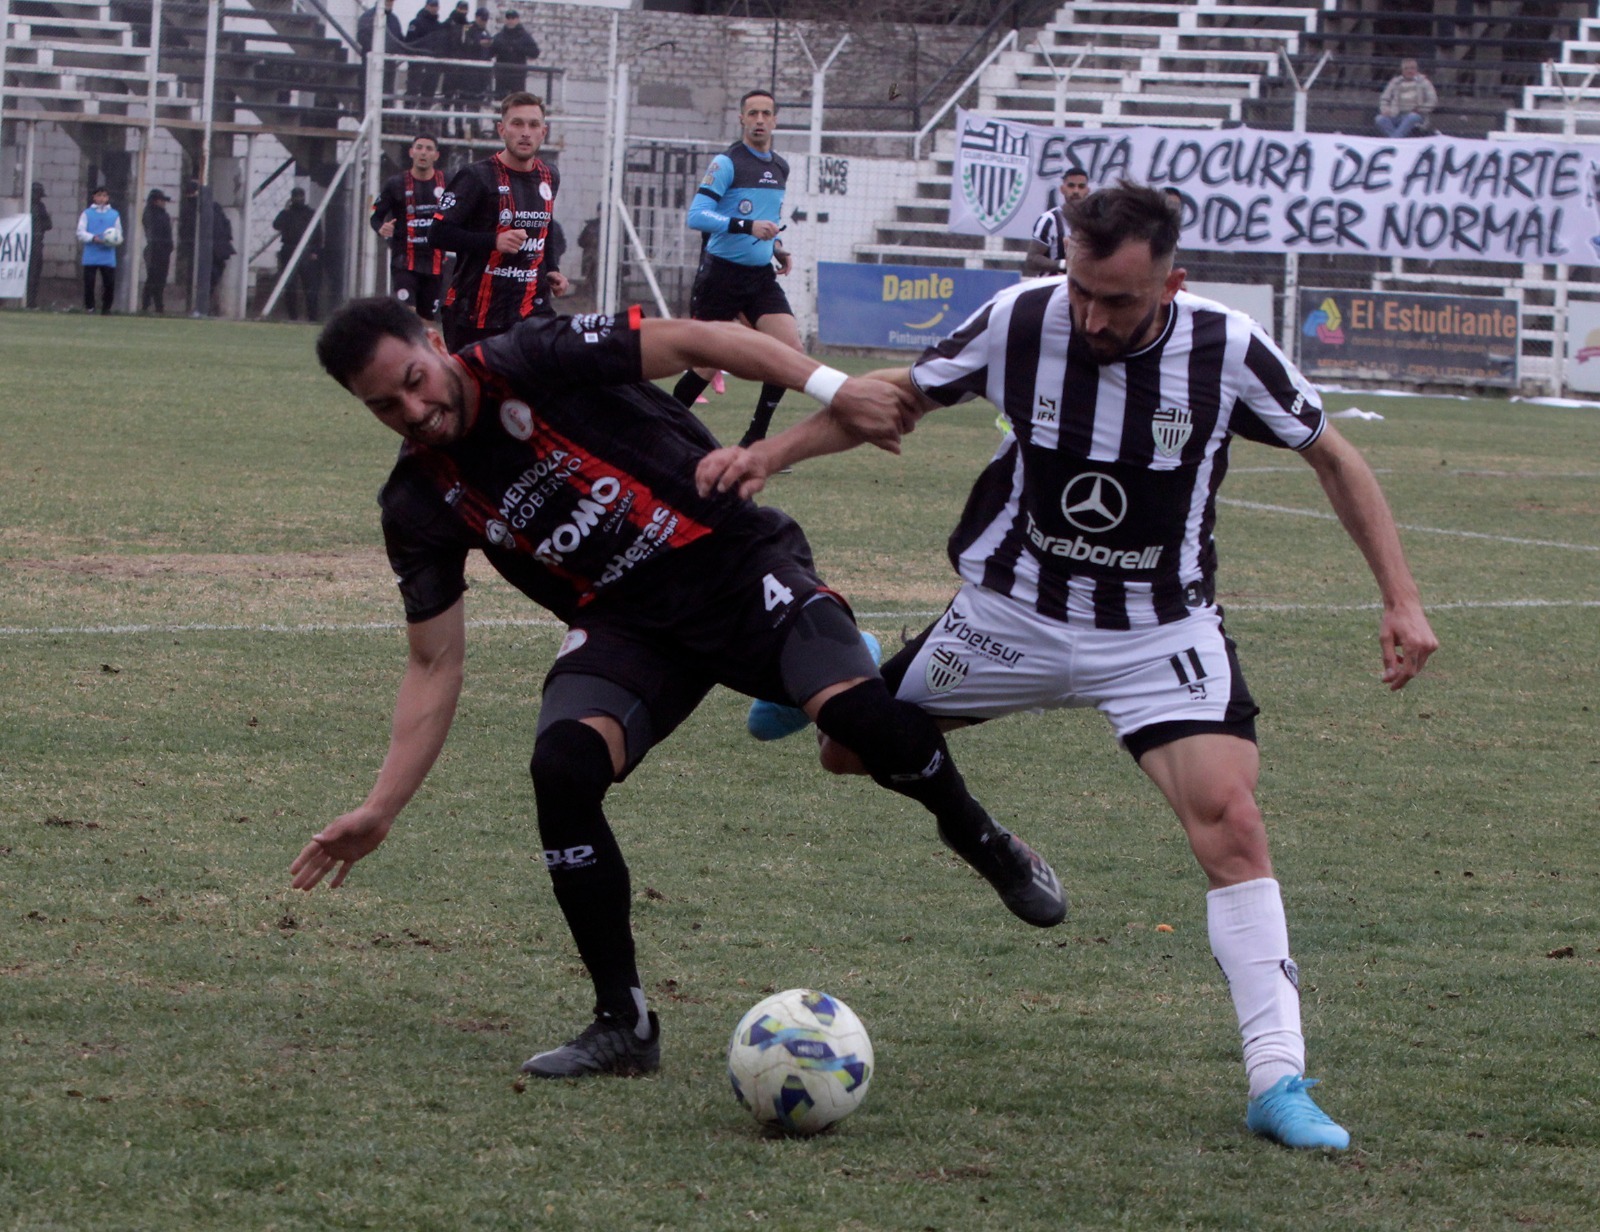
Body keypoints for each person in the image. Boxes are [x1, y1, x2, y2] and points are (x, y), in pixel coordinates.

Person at [705, 182, 1439, 1151]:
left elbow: (1335, 458)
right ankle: (862, 668)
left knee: (1231, 821)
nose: (1091, 316)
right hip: (1010, 614)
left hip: (1156, 634)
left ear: (1172, 282)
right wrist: (774, 454)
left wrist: (1400, 596)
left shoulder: (1226, 348)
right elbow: (894, 405)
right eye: (1081, 290)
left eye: (1119, 301)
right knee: (848, 751)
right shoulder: (1022, 316)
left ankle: (1276, 1076)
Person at [291, 296, 1066, 1079]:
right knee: (562, 770)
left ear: (433, 342)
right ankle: (622, 1024)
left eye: (417, 381)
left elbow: (707, 338)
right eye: (386, 407)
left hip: (732, 560)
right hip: (627, 625)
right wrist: (380, 807)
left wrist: (832, 385)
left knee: (860, 717)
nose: (416, 411)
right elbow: (432, 663)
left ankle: (984, 841)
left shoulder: (528, 358)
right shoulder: (419, 499)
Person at [671, 89, 800, 448]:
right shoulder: (726, 163)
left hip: (760, 278)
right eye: (753, 113)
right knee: (706, 364)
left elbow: (767, 219)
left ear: (775, 120)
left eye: (766, 114)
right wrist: (747, 228)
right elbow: (697, 216)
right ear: (741, 119)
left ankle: (754, 440)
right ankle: (661, 429)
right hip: (722, 276)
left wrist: (775, 248)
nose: (760, 120)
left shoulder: (780, 166)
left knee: (789, 352)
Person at [431, 92, 567, 350]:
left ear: (543, 132)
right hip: (476, 313)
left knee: (538, 385)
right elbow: (437, 233)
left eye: (533, 125)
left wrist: (552, 267)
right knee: (476, 390)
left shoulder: (549, 176)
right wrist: (493, 241)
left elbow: (544, 226)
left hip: (531, 309)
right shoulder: (476, 177)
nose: (525, 132)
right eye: (517, 124)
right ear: (501, 129)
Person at [370, 134, 448, 320]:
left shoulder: (447, 183)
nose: (423, 152)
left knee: (426, 323)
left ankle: (423, 348)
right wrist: (381, 228)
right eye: (419, 147)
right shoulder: (396, 184)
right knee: (407, 317)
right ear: (411, 152)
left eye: (429, 149)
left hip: (434, 264)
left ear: (436, 155)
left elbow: (462, 211)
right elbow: (376, 217)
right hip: (404, 262)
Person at [1022, 166, 1089, 277]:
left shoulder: (1095, 221)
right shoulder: (1049, 220)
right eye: (1071, 186)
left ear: (1087, 191)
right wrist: (1063, 264)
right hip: (1051, 288)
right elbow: (1032, 259)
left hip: (1081, 290)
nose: (1076, 191)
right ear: (1062, 189)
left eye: (1081, 187)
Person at [272, 187, 323, 321]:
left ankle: (312, 316)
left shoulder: (310, 213)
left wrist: (314, 251)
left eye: (300, 196)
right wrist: (285, 210)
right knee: (290, 286)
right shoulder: (288, 213)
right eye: (296, 197)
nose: (298, 199)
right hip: (289, 249)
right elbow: (276, 225)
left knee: (310, 287)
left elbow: (318, 233)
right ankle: (293, 316)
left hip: (307, 250)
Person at [76, 187, 121, 315]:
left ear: (107, 198)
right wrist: (93, 238)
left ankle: (106, 308)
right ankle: (90, 307)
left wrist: (111, 240)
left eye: (105, 196)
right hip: (91, 255)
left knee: (109, 284)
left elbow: (118, 233)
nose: (102, 198)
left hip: (108, 255)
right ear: (94, 197)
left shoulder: (114, 214)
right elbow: (80, 232)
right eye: (99, 195)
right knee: (89, 283)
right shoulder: (87, 213)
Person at [1376, 59, 1437, 138]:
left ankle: (1394, 141)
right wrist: (1385, 109)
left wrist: (1421, 109)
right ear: (1402, 70)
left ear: (1416, 69)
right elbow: (1384, 99)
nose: (1409, 71)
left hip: (1416, 115)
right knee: (1379, 119)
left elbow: (1433, 101)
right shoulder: (1395, 82)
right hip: (1396, 114)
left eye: (1412, 68)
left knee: (1412, 117)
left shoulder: (1424, 82)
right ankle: (1397, 140)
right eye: (1406, 68)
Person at [356, 0, 405, 99]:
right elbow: (361, 37)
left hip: (389, 66)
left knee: (386, 94)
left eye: (391, 1)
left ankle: (385, 113)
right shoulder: (368, 17)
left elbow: (400, 40)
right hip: (370, 65)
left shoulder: (394, 20)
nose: (389, 2)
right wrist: (379, 51)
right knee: (368, 93)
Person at [491, 9, 540, 99]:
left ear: (517, 20)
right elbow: (490, 52)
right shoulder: (500, 36)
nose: (510, 21)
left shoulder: (524, 36)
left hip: (518, 77)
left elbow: (535, 53)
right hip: (502, 76)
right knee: (500, 103)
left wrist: (519, 48)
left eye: (513, 18)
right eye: (508, 18)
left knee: (517, 103)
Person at [141, 188, 175, 314]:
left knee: (159, 280)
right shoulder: (151, 214)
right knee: (153, 279)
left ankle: (157, 305)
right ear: (156, 201)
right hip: (155, 251)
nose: (163, 203)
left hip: (162, 251)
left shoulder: (161, 214)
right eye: (161, 200)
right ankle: (148, 304)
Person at [406, 0, 444, 108]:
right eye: (432, 5)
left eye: (436, 6)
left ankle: (424, 121)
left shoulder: (438, 26)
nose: (434, 8)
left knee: (428, 95)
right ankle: (408, 120)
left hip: (432, 67)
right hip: (417, 65)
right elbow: (410, 43)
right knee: (412, 92)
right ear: (426, 6)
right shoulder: (415, 23)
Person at [208, 199, 235, 312]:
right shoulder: (222, 218)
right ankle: (212, 305)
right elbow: (229, 235)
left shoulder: (210, 217)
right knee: (214, 280)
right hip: (221, 252)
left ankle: (208, 305)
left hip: (214, 252)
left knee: (210, 280)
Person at [27, 182, 51, 309]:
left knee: (34, 274)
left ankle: (31, 302)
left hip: (36, 244)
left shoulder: (40, 207)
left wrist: (38, 229)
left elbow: (48, 224)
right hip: (25, 244)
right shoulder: (24, 205)